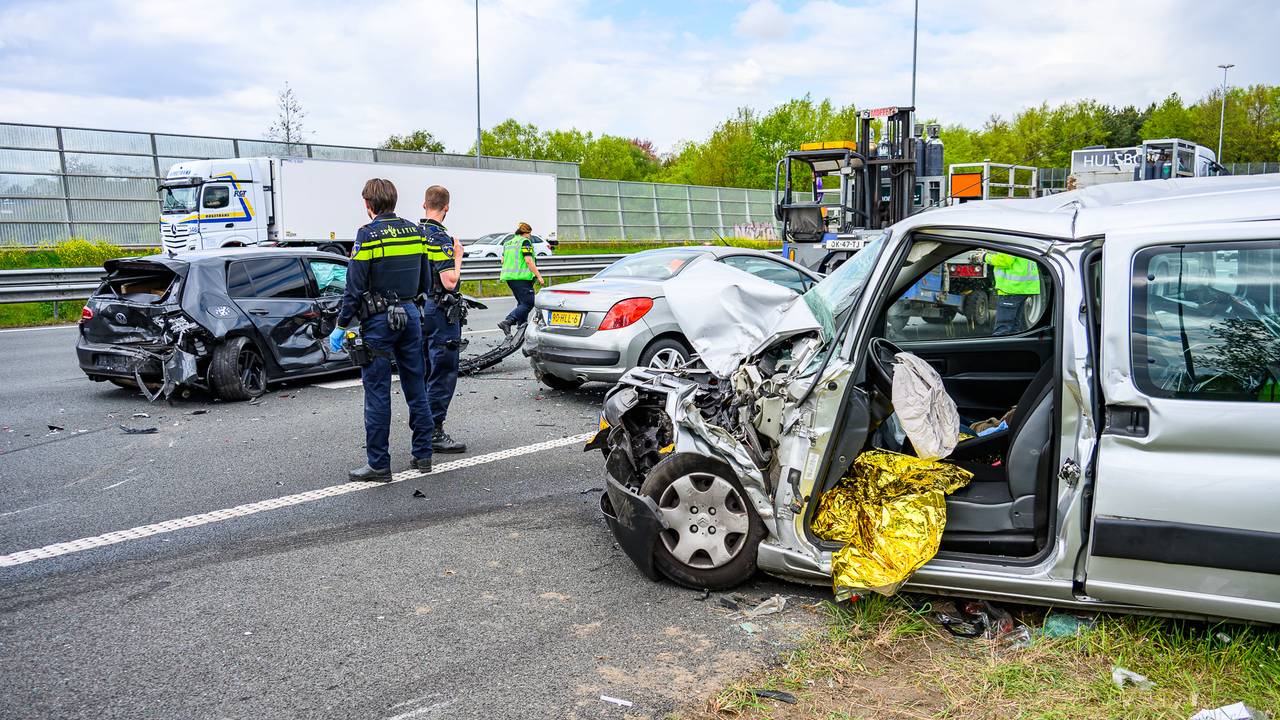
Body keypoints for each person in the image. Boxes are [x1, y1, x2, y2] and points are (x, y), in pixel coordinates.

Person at [328, 179, 435, 481]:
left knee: (377, 393)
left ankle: (379, 464)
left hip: (378, 321)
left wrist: (341, 325)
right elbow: (425, 282)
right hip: (411, 316)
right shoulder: (416, 231)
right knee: (417, 387)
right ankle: (423, 455)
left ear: (368, 203)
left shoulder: (368, 235)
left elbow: (354, 287)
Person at [419, 185, 467, 454]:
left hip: (418, 309)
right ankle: (434, 430)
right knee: (443, 369)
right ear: (446, 207)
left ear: (423, 204)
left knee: (424, 369)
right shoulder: (439, 237)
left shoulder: (413, 233)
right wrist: (457, 257)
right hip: (439, 310)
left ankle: (422, 426)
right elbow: (449, 282)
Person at [972, 249, 1040, 336]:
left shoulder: (1011, 240)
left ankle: (1000, 348)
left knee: (1002, 329)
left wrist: (985, 257)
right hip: (1021, 288)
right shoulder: (1019, 239)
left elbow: (1004, 260)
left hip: (1012, 289)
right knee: (1015, 327)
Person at [496, 222, 545, 335]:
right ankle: (508, 321)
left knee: (522, 303)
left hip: (510, 277)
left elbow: (502, 260)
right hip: (521, 277)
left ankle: (521, 326)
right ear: (526, 233)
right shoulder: (525, 242)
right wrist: (539, 276)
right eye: (529, 233)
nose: (530, 236)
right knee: (529, 302)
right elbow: (528, 261)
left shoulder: (508, 243)